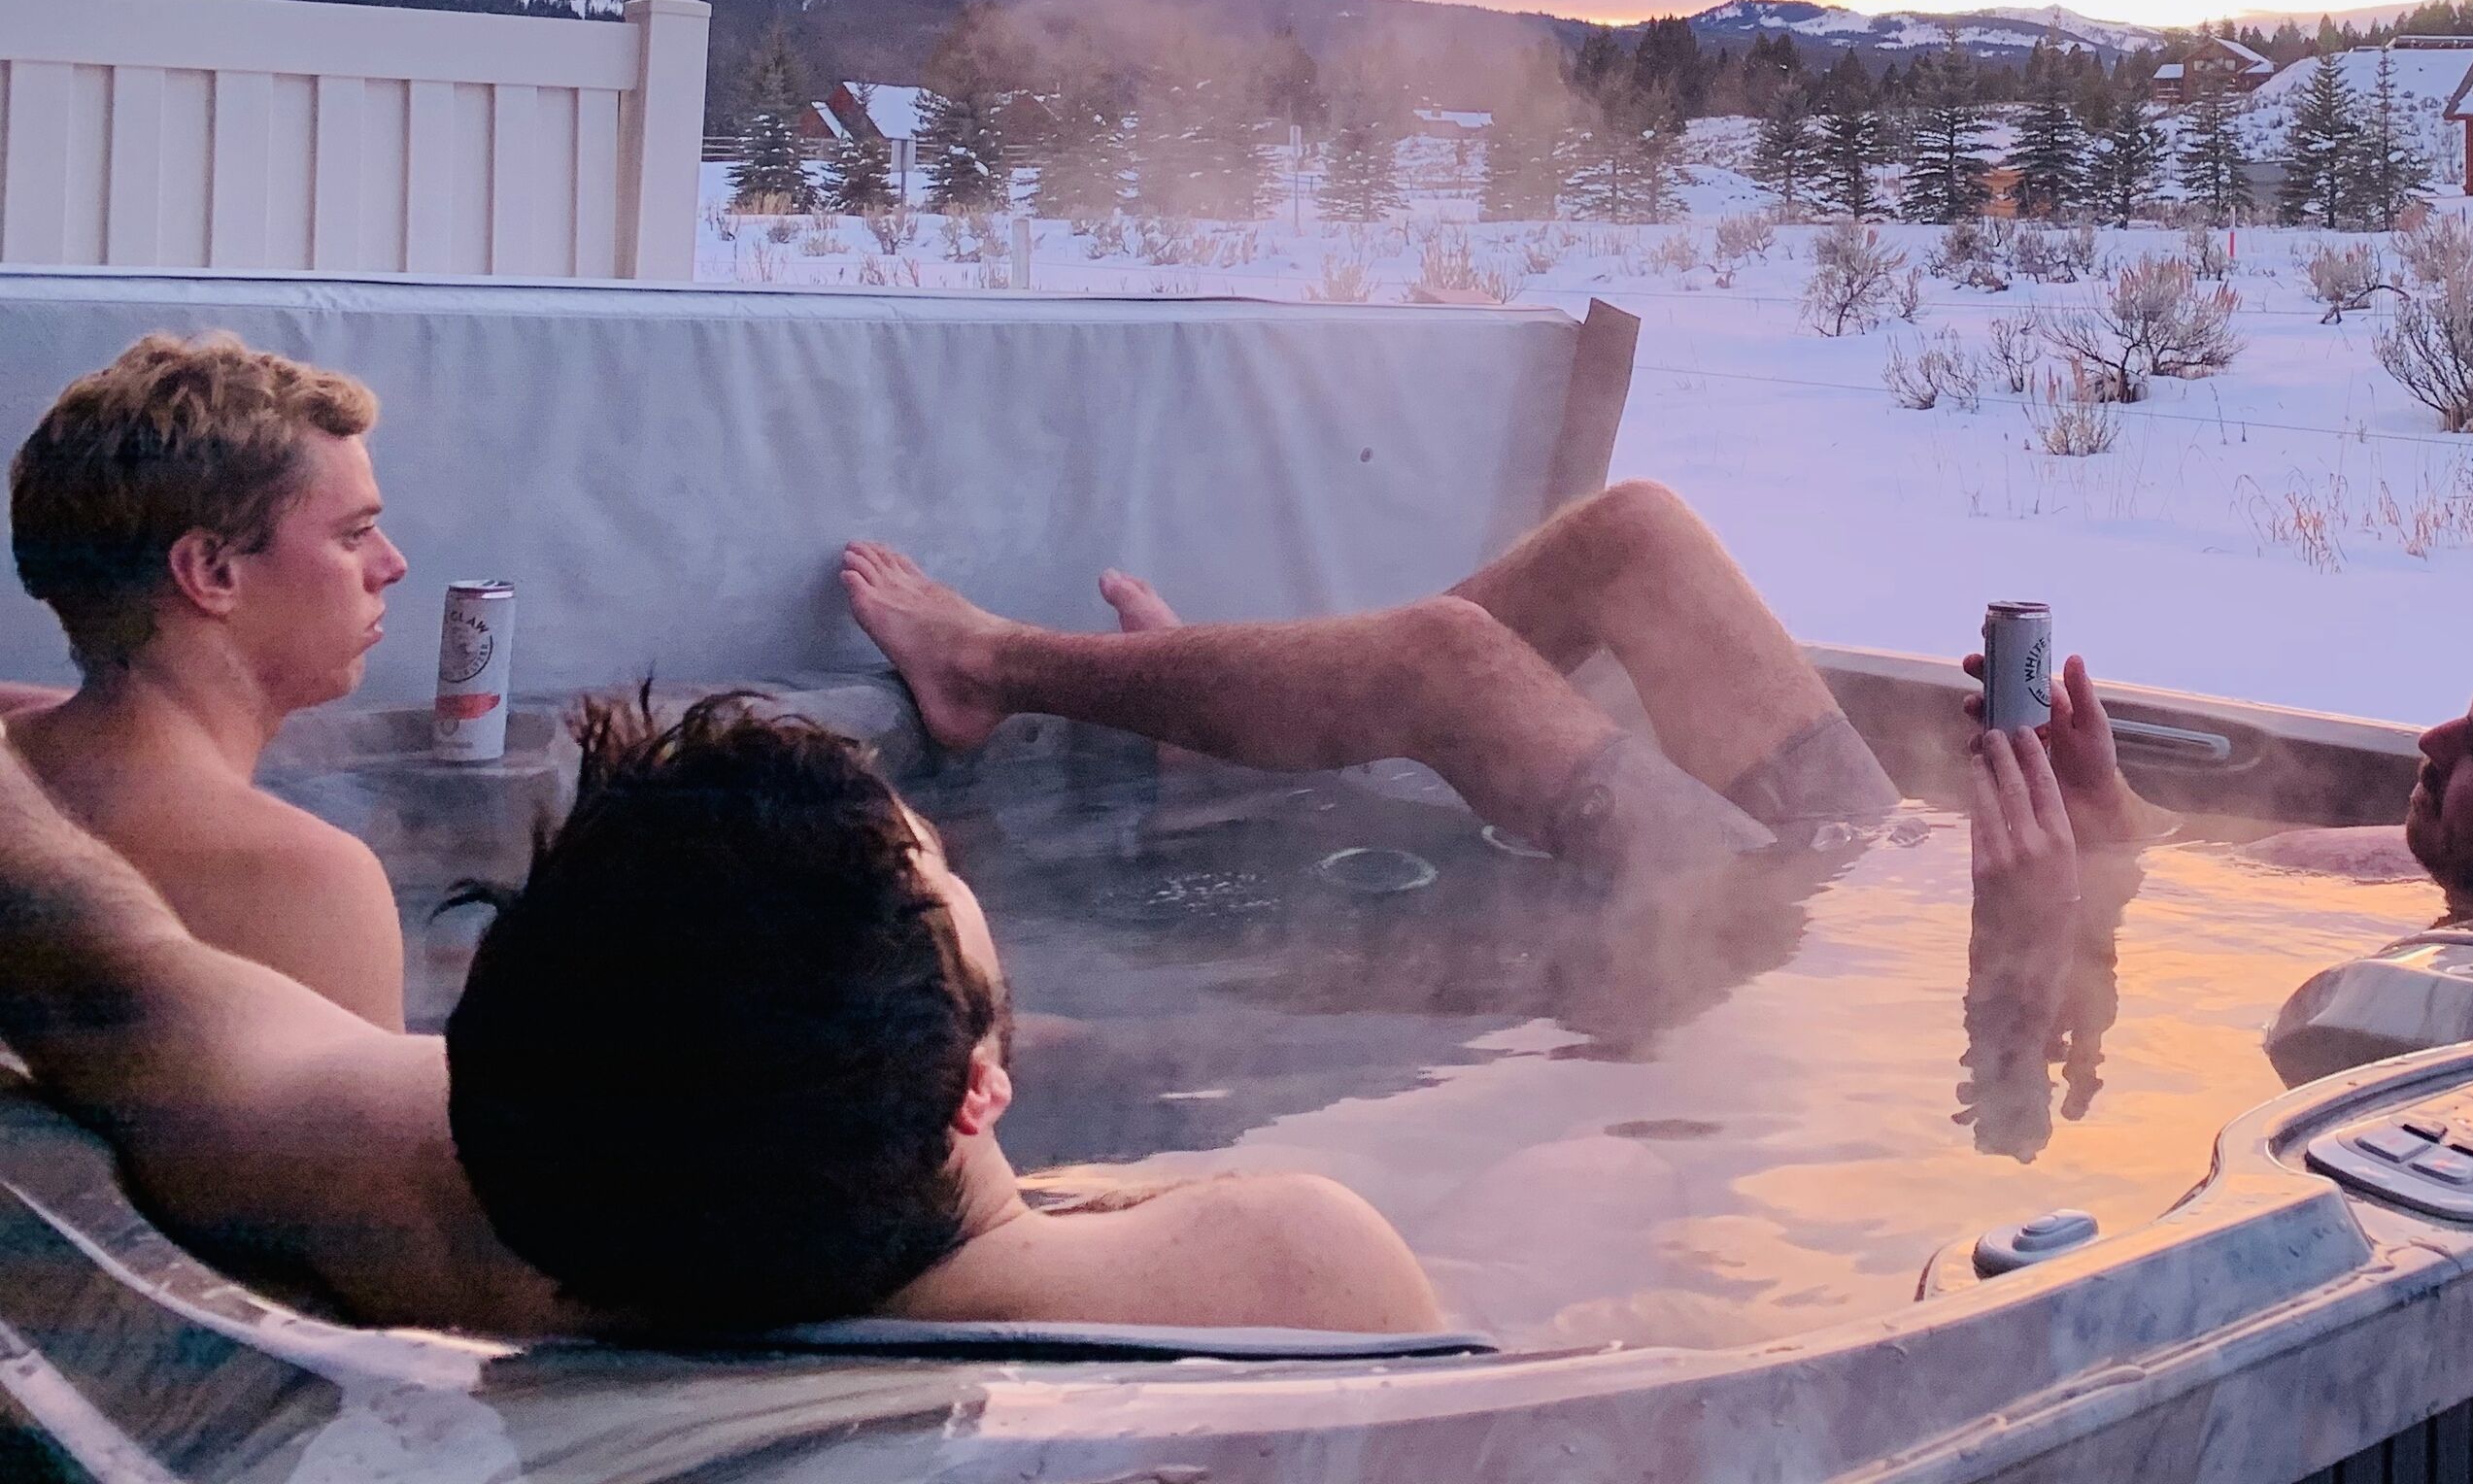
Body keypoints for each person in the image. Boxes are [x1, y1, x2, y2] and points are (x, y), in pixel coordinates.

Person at [0, 688, 1444, 1340]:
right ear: (977, 1089)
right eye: (940, 875)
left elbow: (108, 978)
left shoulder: (452, 1229)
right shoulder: (1288, 1270)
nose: (962, 867)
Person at [836, 476, 1899, 879]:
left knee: (1444, 660)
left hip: (1794, 928)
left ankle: (988, 665)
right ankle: (1203, 718)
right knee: (1636, 533)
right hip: (1869, 858)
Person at [5, 332, 413, 1025]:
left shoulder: (17, 760)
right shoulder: (310, 881)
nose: (391, 564)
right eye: (353, 535)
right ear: (212, 573)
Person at [1963, 613, 2473, 916]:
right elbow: (2205, 864)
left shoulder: (2432, 1004)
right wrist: (2105, 802)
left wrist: (2033, 925)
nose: (2427, 743)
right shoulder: (2438, 875)